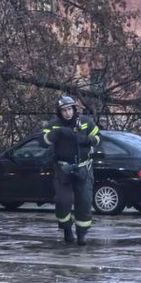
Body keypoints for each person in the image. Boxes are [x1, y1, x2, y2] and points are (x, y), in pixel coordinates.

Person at [42, 95, 101, 245]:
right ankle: (67, 228)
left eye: (69, 109)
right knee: (63, 201)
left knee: (85, 202)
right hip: (63, 169)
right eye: (64, 110)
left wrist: (86, 139)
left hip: (83, 168)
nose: (67, 113)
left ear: (74, 109)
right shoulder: (53, 125)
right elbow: (41, 142)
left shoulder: (86, 123)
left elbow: (99, 138)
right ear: (59, 112)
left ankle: (81, 235)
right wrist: (55, 134)